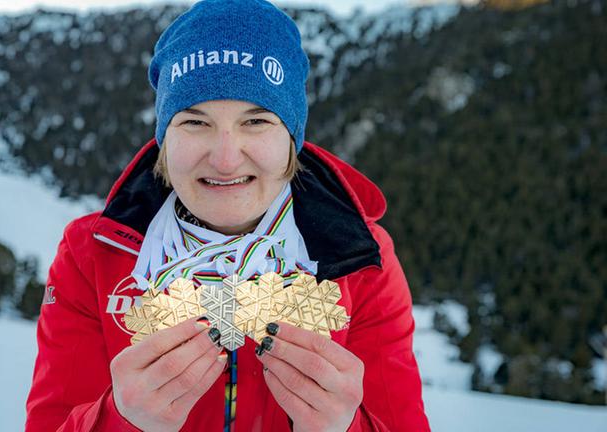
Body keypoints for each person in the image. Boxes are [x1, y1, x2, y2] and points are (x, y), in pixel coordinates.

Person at [25, 0, 430, 430]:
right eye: (194, 123)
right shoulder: (92, 254)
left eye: (256, 122)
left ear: (292, 137)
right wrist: (121, 421)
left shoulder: (362, 260)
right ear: (164, 138)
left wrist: (344, 427)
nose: (224, 159)